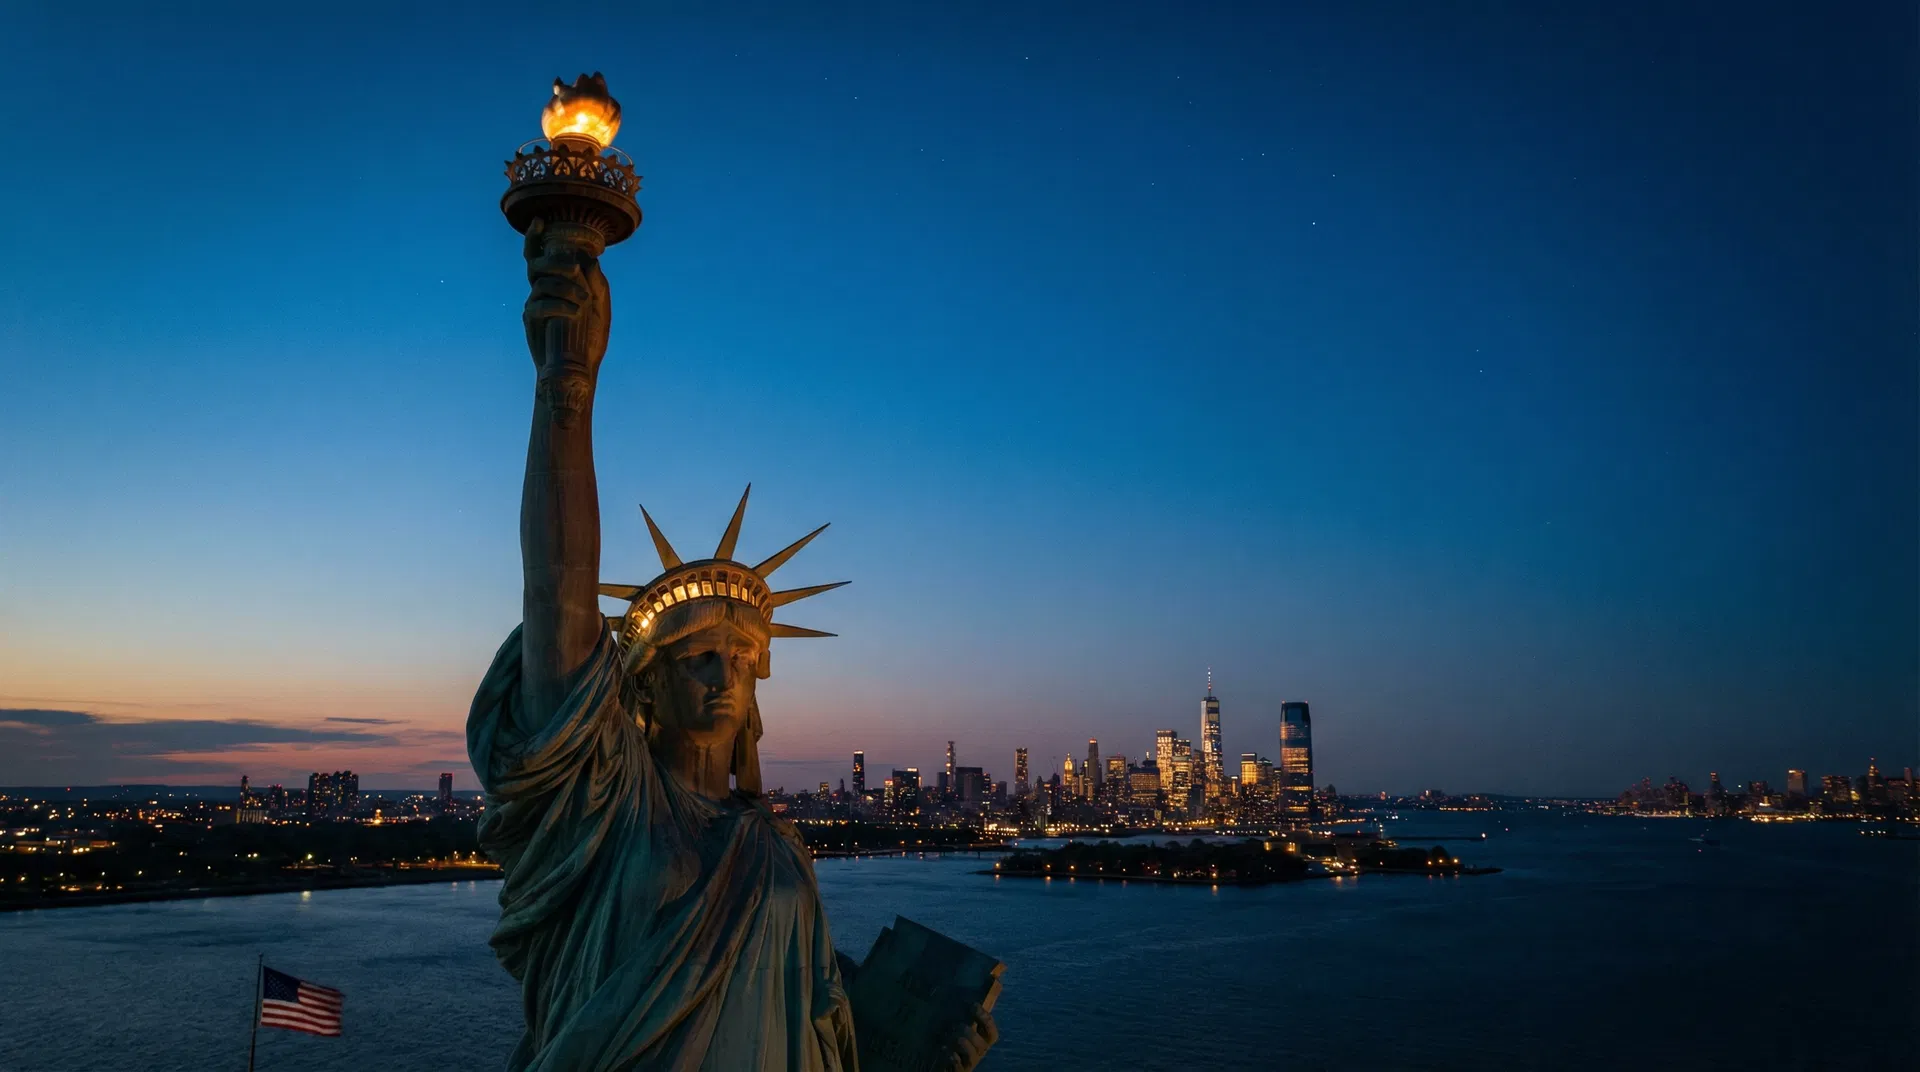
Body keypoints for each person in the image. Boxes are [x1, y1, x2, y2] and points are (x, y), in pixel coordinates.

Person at [467, 218, 996, 1070]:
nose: (724, 676)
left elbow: (822, 1030)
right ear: (644, 685)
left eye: (742, 661)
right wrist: (567, 384)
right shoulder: (603, 808)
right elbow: (557, 593)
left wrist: (924, 1046)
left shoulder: (778, 847)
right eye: (698, 658)